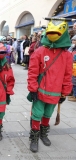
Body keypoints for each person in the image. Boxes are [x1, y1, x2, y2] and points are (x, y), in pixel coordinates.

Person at [27, 18, 73, 153]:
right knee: (37, 114)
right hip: (40, 91)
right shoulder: (40, 51)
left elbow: (67, 75)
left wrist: (64, 92)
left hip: (55, 92)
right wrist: (32, 88)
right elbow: (32, 72)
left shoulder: (67, 55)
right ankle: (34, 137)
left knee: (48, 113)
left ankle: (43, 133)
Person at [68, 35, 76, 101]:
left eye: (75, 40)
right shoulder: (71, 47)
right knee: (71, 80)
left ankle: (75, 95)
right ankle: (71, 92)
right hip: (71, 65)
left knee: (75, 81)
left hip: (75, 66)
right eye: (73, 40)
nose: (73, 41)